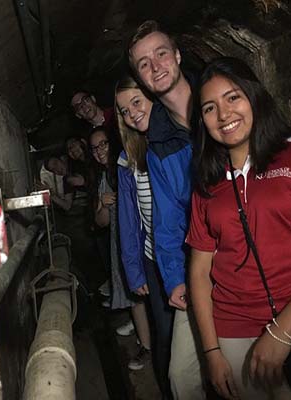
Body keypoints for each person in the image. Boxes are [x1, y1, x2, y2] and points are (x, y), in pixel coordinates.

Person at [187, 56, 291, 400]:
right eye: (210, 108)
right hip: (231, 328)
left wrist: (280, 334)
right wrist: (211, 352)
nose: (224, 114)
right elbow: (200, 272)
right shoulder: (207, 181)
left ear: (254, 96)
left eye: (233, 98)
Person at [128, 20, 204, 399]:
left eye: (161, 54)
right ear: (141, 80)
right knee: (182, 378)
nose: (155, 66)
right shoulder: (157, 139)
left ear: (177, 55)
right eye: (144, 63)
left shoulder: (219, 103)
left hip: (251, 263)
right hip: (201, 268)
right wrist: (174, 277)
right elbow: (168, 218)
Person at [115, 74, 174, 398]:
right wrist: (135, 269)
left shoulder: (177, 142)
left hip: (188, 255)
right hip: (154, 260)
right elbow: (128, 219)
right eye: (124, 110)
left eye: (137, 102)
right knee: (164, 335)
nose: (133, 113)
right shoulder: (128, 158)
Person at [89, 126, 152, 370]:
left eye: (103, 144)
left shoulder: (129, 164)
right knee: (135, 296)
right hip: (123, 243)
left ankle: (151, 342)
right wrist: (101, 205)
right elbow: (101, 222)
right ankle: (146, 345)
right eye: (95, 148)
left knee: (148, 296)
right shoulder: (103, 177)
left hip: (143, 239)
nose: (99, 151)